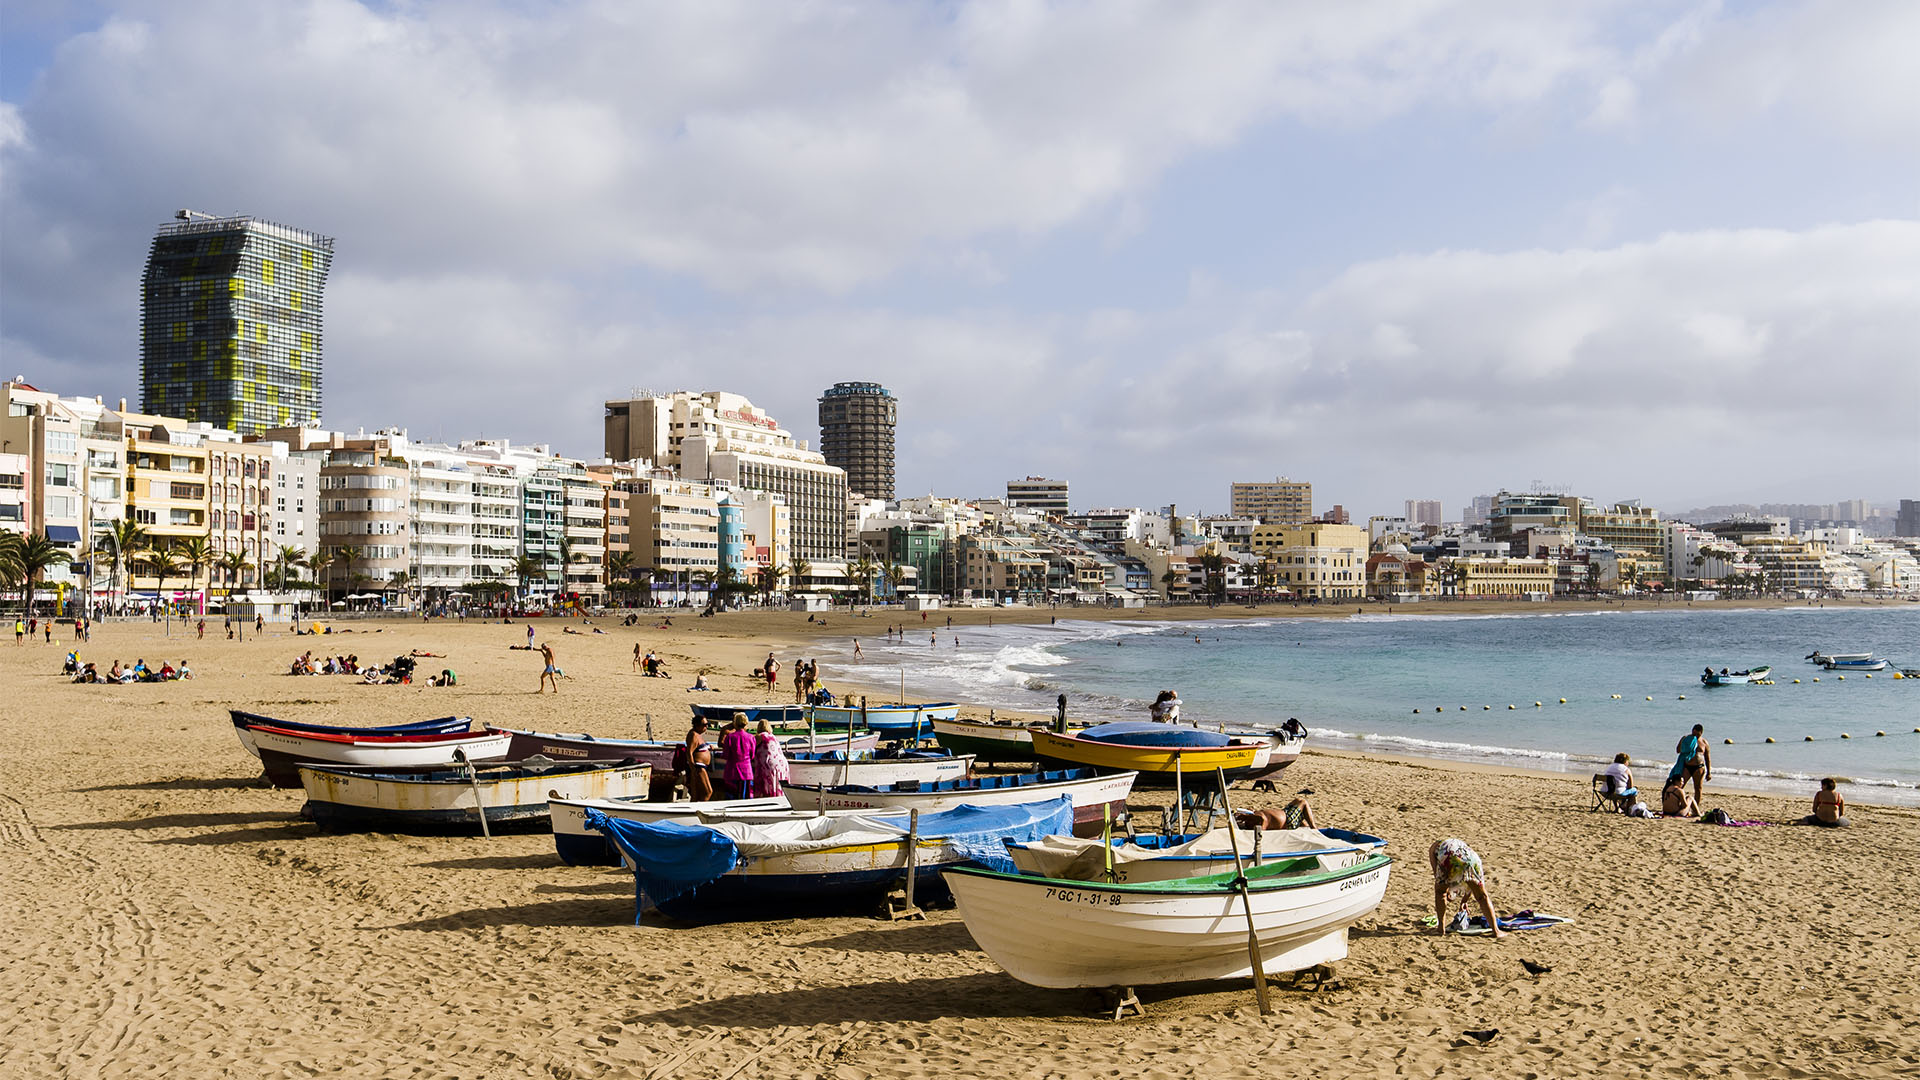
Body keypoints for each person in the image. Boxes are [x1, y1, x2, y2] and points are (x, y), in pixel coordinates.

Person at [1430, 838, 1504, 939]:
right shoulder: (1458, 844)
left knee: (1440, 893)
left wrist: (1444, 890)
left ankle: (1440, 929)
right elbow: (1468, 878)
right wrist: (1464, 900)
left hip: (1448, 857)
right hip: (1472, 859)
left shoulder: (1434, 848)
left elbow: (1437, 875)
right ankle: (1496, 931)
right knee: (1482, 896)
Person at [717, 713, 756, 799]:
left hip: (732, 770)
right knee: (745, 797)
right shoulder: (751, 737)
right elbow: (752, 755)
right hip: (746, 771)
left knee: (731, 797)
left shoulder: (730, 737)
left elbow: (726, 755)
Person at [1670, 723, 1711, 805]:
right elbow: (1678, 750)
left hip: (1699, 767)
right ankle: (1676, 804)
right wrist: (1686, 746)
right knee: (1680, 786)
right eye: (1693, 732)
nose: (1694, 734)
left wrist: (1709, 772)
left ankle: (1696, 806)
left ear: (1701, 732)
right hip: (1687, 766)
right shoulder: (1686, 739)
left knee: (1698, 788)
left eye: (1697, 733)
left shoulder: (1704, 742)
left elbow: (1707, 758)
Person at [681, 716, 714, 800]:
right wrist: (693, 769)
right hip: (698, 767)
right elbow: (689, 752)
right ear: (697, 725)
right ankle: (701, 808)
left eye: (707, 724)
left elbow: (698, 747)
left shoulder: (697, 734)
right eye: (704, 725)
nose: (706, 727)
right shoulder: (693, 735)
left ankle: (695, 809)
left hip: (700, 767)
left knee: (696, 793)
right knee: (708, 792)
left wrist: (707, 746)